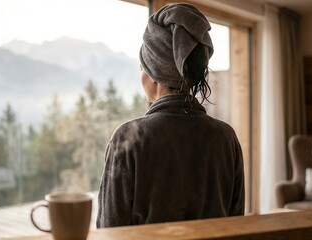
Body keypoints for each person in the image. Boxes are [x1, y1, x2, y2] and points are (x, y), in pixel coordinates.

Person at [96, 3, 244, 228]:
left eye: (141, 67)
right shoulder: (226, 137)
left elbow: (109, 229)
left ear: (153, 74)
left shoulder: (128, 138)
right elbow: (236, 225)